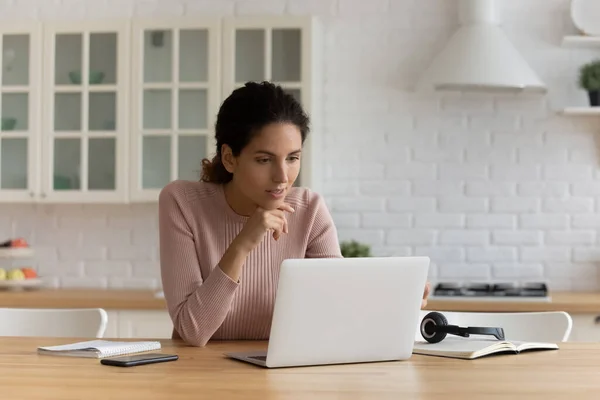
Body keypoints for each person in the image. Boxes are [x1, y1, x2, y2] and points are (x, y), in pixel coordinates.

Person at [158, 81, 431, 347]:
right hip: (201, 376)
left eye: (292, 158)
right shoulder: (183, 203)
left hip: (283, 370)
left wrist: (393, 301)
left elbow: (336, 308)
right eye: (264, 160)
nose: (282, 177)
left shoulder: (309, 209)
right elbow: (193, 331)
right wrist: (242, 244)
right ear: (229, 158)